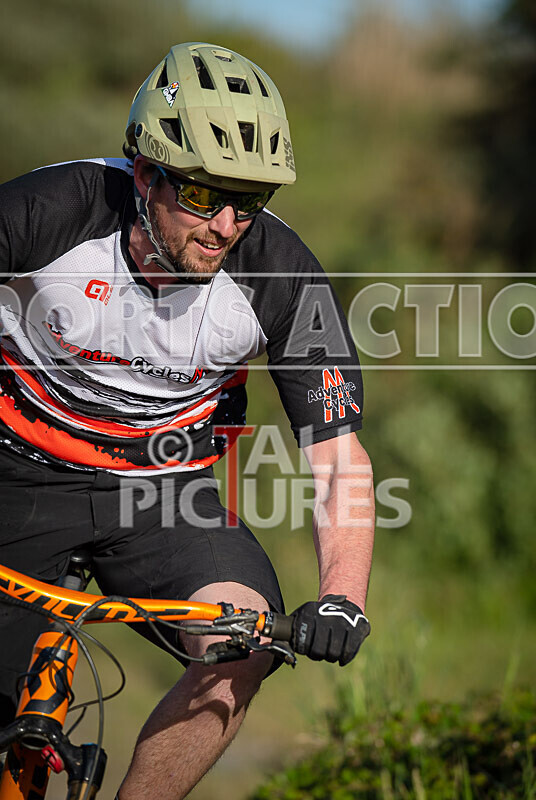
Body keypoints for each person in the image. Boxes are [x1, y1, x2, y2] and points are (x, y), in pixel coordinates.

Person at [0, 43, 374, 799]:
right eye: (205, 196)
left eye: (252, 200)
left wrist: (343, 596)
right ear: (145, 175)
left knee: (245, 643)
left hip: (162, 493)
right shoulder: (49, 213)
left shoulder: (279, 271)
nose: (228, 224)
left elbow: (338, 458)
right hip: (15, 476)